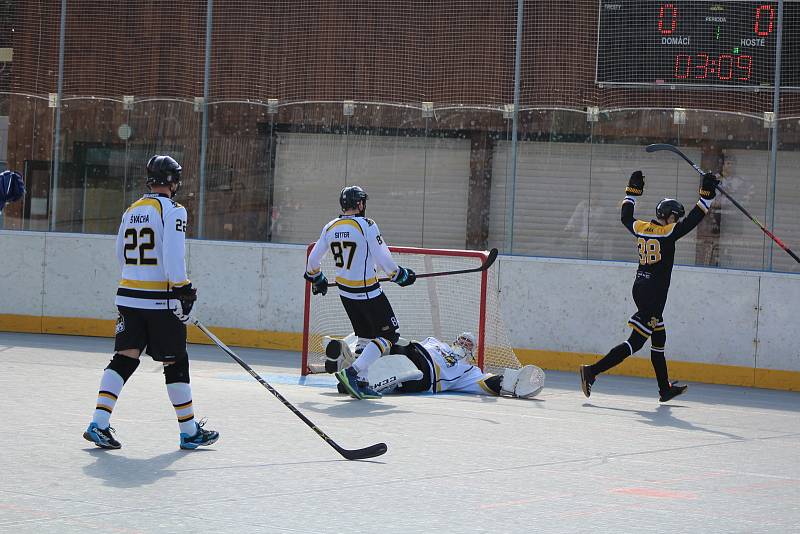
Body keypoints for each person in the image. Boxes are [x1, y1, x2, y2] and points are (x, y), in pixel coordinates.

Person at [83, 155, 219, 450]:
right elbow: (173, 256)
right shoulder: (173, 210)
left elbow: (120, 254)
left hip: (129, 296)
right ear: (173, 181)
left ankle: (98, 423)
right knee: (176, 361)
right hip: (160, 302)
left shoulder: (132, 210)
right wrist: (183, 288)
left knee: (124, 357)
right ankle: (189, 431)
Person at [579, 169, 719, 402]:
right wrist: (706, 193)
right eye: (675, 216)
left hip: (641, 287)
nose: (677, 220)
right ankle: (591, 371)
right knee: (635, 343)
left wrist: (632, 191)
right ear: (669, 216)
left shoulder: (642, 228)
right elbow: (694, 219)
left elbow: (626, 216)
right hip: (654, 295)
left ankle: (665, 388)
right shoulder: (667, 233)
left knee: (659, 339)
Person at [304, 185, 416, 400]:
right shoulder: (367, 225)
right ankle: (352, 373)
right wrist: (400, 275)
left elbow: (312, 261)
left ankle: (360, 383)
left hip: (346, 293)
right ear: (360, 203)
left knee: (365, 336)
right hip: (368, 292)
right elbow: (384, 259)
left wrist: (318, 278)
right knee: (390, 334)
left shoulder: (330, 226)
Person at [325, 332, 545, 399]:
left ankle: (348, 377)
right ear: (455, 340)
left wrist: (512, 384)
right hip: (414, 351)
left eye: (469, 343)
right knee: (388, 342)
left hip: (425, 377)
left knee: (404, 375)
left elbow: (489, 383)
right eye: (462, 339)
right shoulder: (435, 342)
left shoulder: (469, 370)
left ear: (472, 351)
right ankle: (352, 360)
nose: (464, 343)